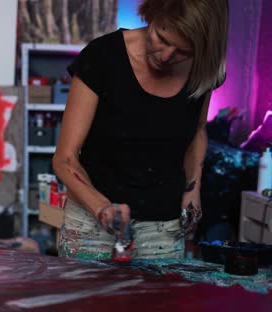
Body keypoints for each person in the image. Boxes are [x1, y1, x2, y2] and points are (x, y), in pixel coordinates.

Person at [53, 0, 228, 260]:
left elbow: (199, 129)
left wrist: (193, 189)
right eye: (161, 37)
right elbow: (64, 159)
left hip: (163, 225)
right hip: (91, 218)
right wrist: (102, 208)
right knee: (87, 301)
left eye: (182, 51)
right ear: (152, 14)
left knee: (156, 301)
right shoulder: (103, 56)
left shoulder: (204, 69)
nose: (166, 55)